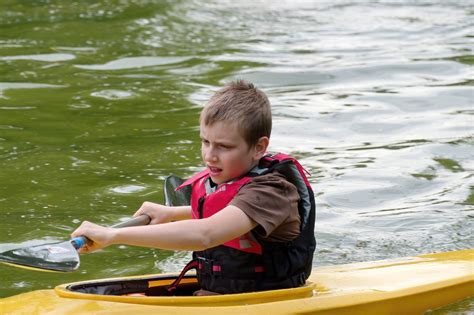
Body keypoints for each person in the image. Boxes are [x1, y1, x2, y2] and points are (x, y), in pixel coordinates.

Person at [72, 80, 316, 295]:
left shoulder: (271, 191)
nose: (210, 156)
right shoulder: (234, 180)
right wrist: (171, 214)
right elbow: (230, 212)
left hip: (268, 299)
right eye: (205, 141)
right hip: (221, 294)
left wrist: (113, 235)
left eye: (224, 146)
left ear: (259, 148)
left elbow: (205, 234)